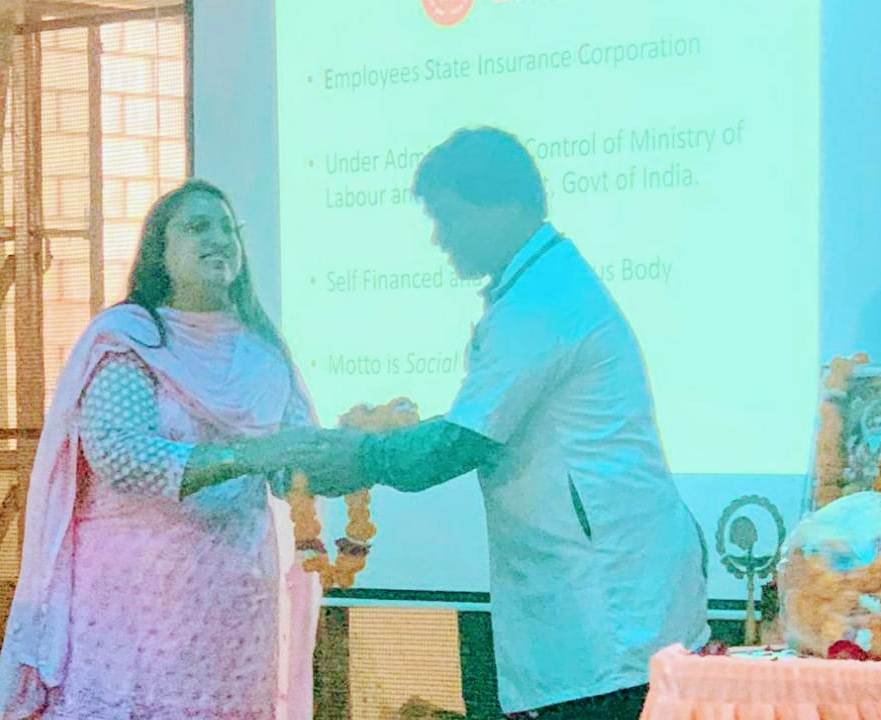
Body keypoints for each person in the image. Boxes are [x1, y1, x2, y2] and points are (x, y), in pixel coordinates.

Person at [306, 127, 710, 719]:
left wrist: (358, 457)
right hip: (599, 594)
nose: (439, 237)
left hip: (608, 601)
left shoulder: (541, 303)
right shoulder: (539, 286)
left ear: (507, 205)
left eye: (448, 217)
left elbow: (458, 443)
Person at [0, 179, 322, 719]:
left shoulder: (262, 348)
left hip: (236, 602)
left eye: (228, 228)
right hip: (135, 603)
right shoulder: (132, 337)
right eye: (198, 227)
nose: (218, 239)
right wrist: (250, 457)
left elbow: (293, 462)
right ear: (161, 252)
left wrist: (354, 451)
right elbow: (123, 459)